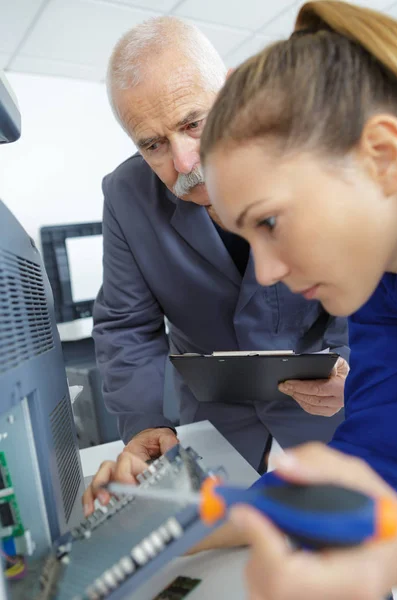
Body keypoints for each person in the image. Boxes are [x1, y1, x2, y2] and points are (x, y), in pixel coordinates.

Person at [83, 17, 349, 514]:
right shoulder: (125, 196)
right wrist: (144, 423)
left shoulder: (315, 155)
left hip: (326, 412)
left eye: (193, 123)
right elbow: (126, 325)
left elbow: (369, 287)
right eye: (153, 144)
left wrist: (353, 371)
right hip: (215, 425)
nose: (183, 162)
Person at [198, 0, 397, 596]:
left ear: (382, 156)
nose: (264, 273)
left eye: (270, 222)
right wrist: (177, 517)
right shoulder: (377, 286)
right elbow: (376, 460)